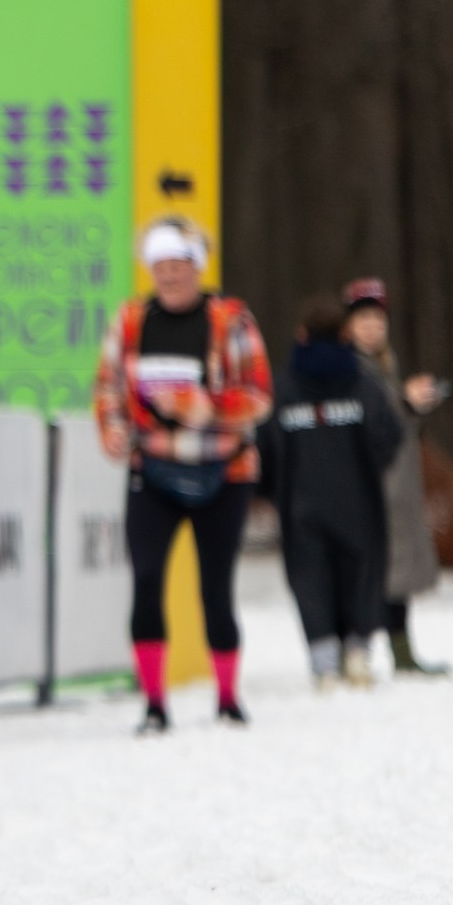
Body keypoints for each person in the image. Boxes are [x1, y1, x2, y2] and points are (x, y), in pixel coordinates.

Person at [93, 217, 273, 733]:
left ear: (197, 267)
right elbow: (107, 386)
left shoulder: (230, 321)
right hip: (151, 468)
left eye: (179, 265)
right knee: (146, 580)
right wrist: (110, 429)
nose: (169, 276)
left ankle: (228, 698)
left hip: (225, 469)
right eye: (160, 266)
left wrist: (206, 406)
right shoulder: (130, 321)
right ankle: (153, 704)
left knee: (215, 587)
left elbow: (258, 397)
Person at [259, 296, 403, 689]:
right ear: (345, 334)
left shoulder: (282, 386)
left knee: (311, 576)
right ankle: (357, 652)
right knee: (361, 572)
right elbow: (388, 437)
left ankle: (323, 660)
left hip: (300, 503)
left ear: (301, 335)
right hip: (358, 501)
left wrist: (271, 489)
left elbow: (263, 447)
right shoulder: (363, 383)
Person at [341, 278, 450, 676]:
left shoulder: (386, 363)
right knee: (367, 570)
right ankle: (351, 653)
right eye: (362, 318)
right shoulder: (347, 366)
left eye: (377, 318)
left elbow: (393, 421)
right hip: (368, 484)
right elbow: (367, 423)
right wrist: (404, 402)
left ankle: (402, 650)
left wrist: (415, 405)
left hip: (397, 484)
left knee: (397, 569)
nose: (371, 326)